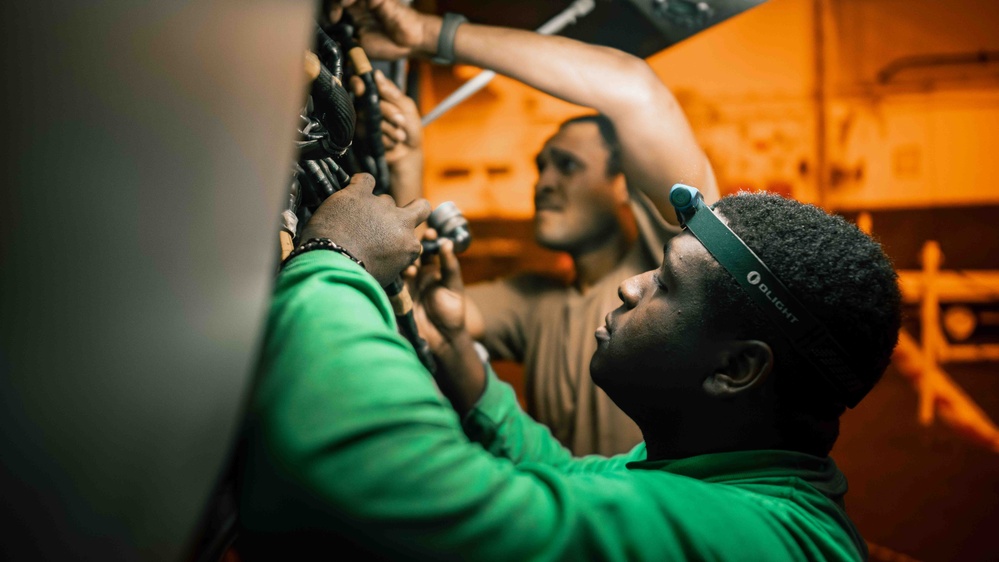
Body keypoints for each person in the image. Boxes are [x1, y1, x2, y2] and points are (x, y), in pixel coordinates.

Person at [236, 166, 902, 559]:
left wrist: (336, 257)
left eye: (665, 284)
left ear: (734, 370)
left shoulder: (749, 540)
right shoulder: (719, 481)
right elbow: (556, 472)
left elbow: (384, 485)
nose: (630, 286)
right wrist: (452, 349)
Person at [354, 0, 720, 455]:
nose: (543, 182)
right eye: (541, 166)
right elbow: (425, 315)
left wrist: (429, 34)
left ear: (625, 186)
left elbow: (631, 87)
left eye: (567, 166)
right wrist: (408, 162)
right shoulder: (535, 306)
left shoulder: (685, 269)